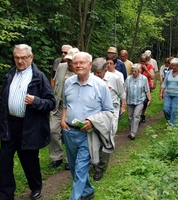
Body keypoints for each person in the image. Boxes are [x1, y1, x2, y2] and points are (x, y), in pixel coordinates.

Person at [0, 44, 56, 200]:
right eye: (17, 58)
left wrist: (36, 101)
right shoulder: (10, 75)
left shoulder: (39, 77)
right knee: (4, 161)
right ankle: (5, 194)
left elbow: (51, 103)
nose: (20, 61)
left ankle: (36, 186)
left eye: (23, 58)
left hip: (29, 127)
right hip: (9, 126)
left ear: (31, 58)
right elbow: (2, 101)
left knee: (29, 160)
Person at [61, 52, 114, 200]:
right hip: (69, 131)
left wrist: (92, 122)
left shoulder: (100, 86)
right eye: (76, 63)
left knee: (80, 168)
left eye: (82, 62)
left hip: (89, 134)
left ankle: (75, 198)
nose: (78, 65)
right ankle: (88, 191)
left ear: (90, 65)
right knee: (73, 167)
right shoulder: (68, 82)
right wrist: (63, 120)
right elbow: (65, 104)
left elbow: (109, 111)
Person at [91, 57, 126, 181]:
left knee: (107, 139)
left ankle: (100, 168)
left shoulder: (114, 78)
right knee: (94, 138)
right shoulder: (91, 78)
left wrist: (123, 106)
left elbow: (122, 94)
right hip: (95, 113)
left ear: (106, 69)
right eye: (94, 72)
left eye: (98, 72)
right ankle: (94, 161)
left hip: (111, 112)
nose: (96, 75)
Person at [48, 48, 79, 170]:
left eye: (72, 61)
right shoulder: (61, 67)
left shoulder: (82, 71)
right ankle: (56, 157)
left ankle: (69, 159)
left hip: (73, 108)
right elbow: (55, 82)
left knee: (70, 133)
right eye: (68, 61)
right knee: (52, 130)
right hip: (58, 105)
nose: (70, 63)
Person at [125, 64, 151, 140]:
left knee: (136, 116)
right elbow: (125, 91)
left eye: (135, 71)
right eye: (132, 71)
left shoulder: (144, 79)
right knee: (130, 117)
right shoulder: (128, 79)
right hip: (130, 101)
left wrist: (149, 99)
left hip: (140, 100)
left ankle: (133, 133)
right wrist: (123, 101)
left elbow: (147, 90)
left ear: (139, 71)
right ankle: (130, 131)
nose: (133, 73)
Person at [159, 58, 178, 125]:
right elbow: (164, 83)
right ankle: (169, 120)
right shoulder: (168, 73)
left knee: (174, 110)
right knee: (165, 109)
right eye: (172, 65)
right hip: (168, 94)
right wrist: (161, 93)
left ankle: (172, 125)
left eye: (175, 65)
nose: (173, 67)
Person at [139, 53, 154, 123]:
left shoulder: (149, 66)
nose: (142, 63)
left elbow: (152, 76)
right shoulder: (138, 66)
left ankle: (143, 114)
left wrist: (146, 69)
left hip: (147, 86)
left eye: (144, 61)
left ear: (146, 61)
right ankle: (138, 116)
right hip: (138, 87)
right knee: (139, 102)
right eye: (141, 61)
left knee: (145, 102)